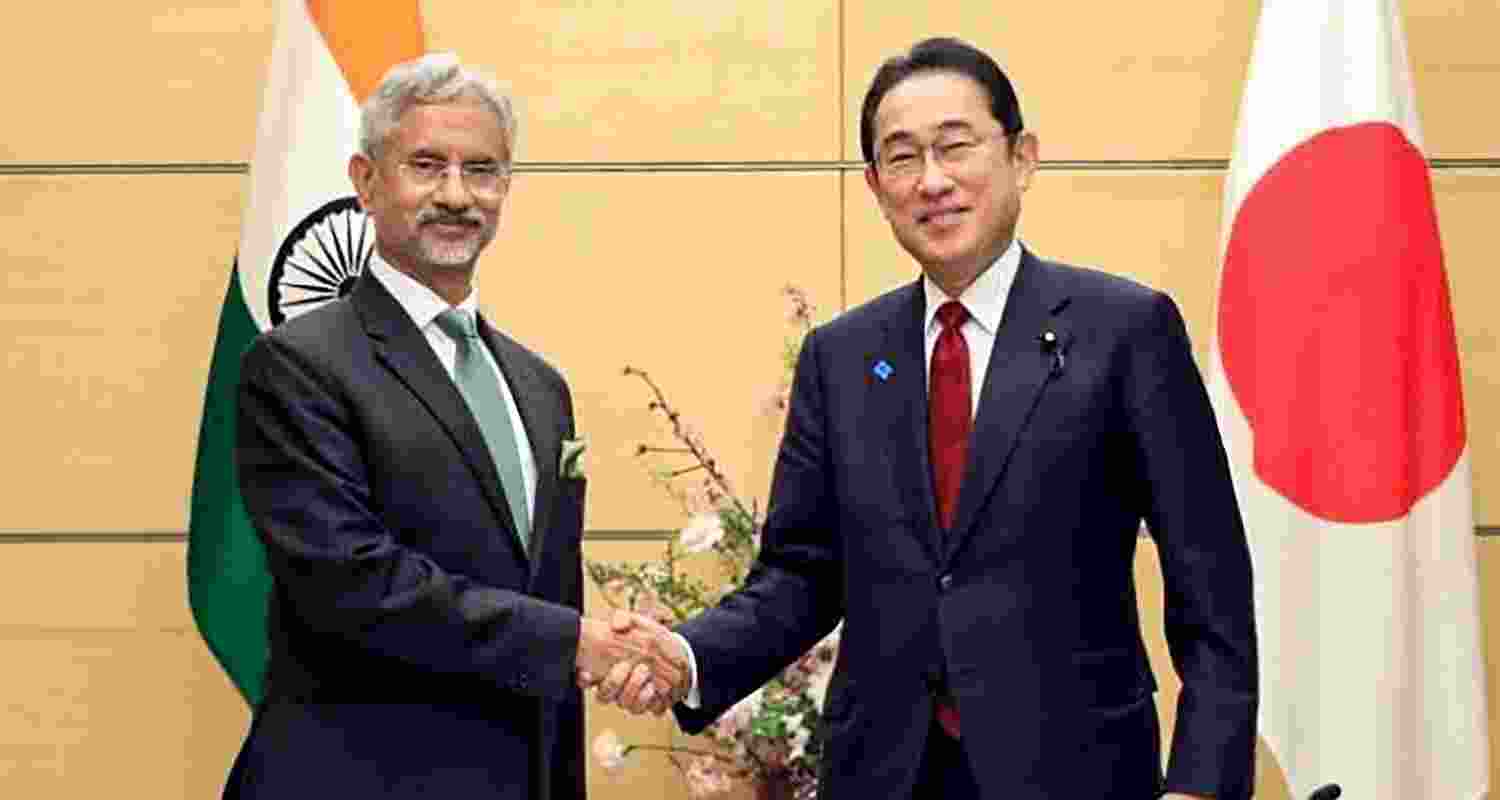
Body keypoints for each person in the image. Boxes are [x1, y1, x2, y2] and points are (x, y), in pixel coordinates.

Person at [594, 37, 1258, 799]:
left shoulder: (1124, 330)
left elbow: (1213, 586)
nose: (932, 181)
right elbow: (803, 574)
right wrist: (689, 654)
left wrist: (1202, 782)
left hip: (1077, 769)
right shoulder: (841, 357)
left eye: (955, 146)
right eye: (902, 158)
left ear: (1022, 157)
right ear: (876, 186)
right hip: (887, 772)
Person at [224, 53, 683, 800]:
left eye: (483, 170)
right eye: (426, 166)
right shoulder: (295, 366)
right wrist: (574, 643)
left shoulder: (539, 388)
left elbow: (546, 592)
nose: (456, 195)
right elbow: (352, 583)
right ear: (368, 182)